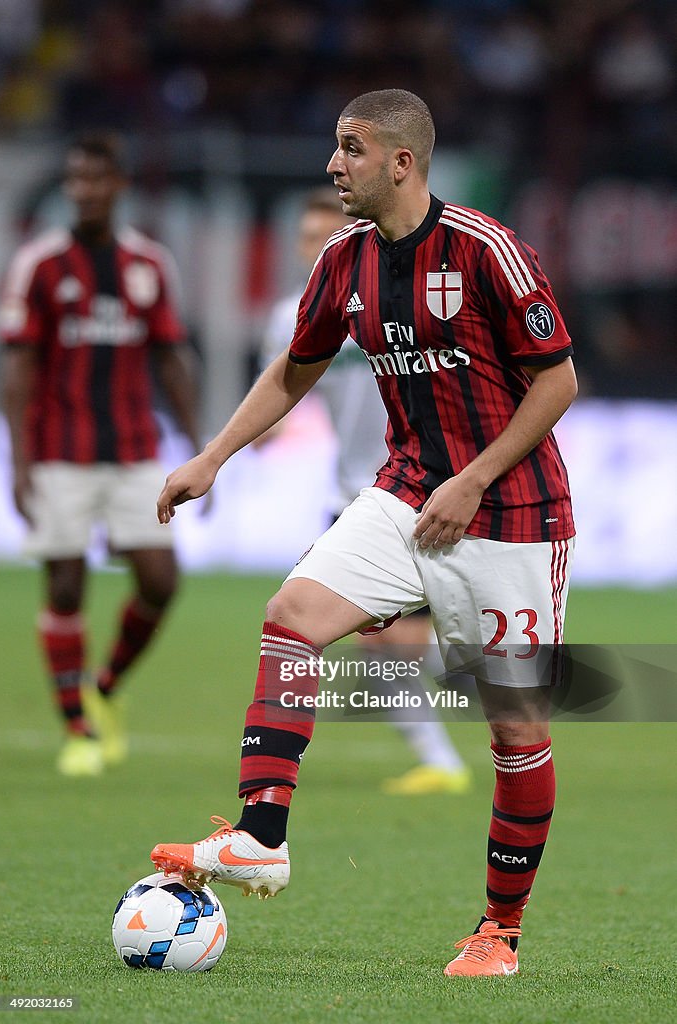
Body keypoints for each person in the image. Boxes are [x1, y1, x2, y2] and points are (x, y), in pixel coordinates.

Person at [150, 90, 577, 977]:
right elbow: (294, 368)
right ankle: (263, 836)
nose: (333, 165)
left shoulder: (487, 250)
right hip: (405, 493)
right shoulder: (344, 259)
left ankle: (500, 930)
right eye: (334, 147)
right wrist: (214, 456)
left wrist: (475, 477)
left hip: (513, 516)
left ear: (401, 162)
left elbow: (557, 381)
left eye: (350, 149)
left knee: (516, 732)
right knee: (294, 611)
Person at [0, 134, 201, 777]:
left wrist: (202, 448)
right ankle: (78, 728)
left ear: (118, 185)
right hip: (61, 448)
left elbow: (170, 356)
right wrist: (20, 463)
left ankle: (105, 684)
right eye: (75, 180)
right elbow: (20, 368)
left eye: (95, 179)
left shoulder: (148, 264)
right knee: (64, 582)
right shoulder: (40, 264)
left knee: (160, 580)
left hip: (135, 446)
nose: (83, 190)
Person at [260, 187, 471, 795]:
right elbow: (283, 392)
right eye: (306, 237)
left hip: (428, 490)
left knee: (399, 650)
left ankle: (468, 722)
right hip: (356, 498)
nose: (316, 247)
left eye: (325, 234)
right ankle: (443, 760)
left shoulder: (402, 296)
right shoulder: (295, 314)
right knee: (383, 647)